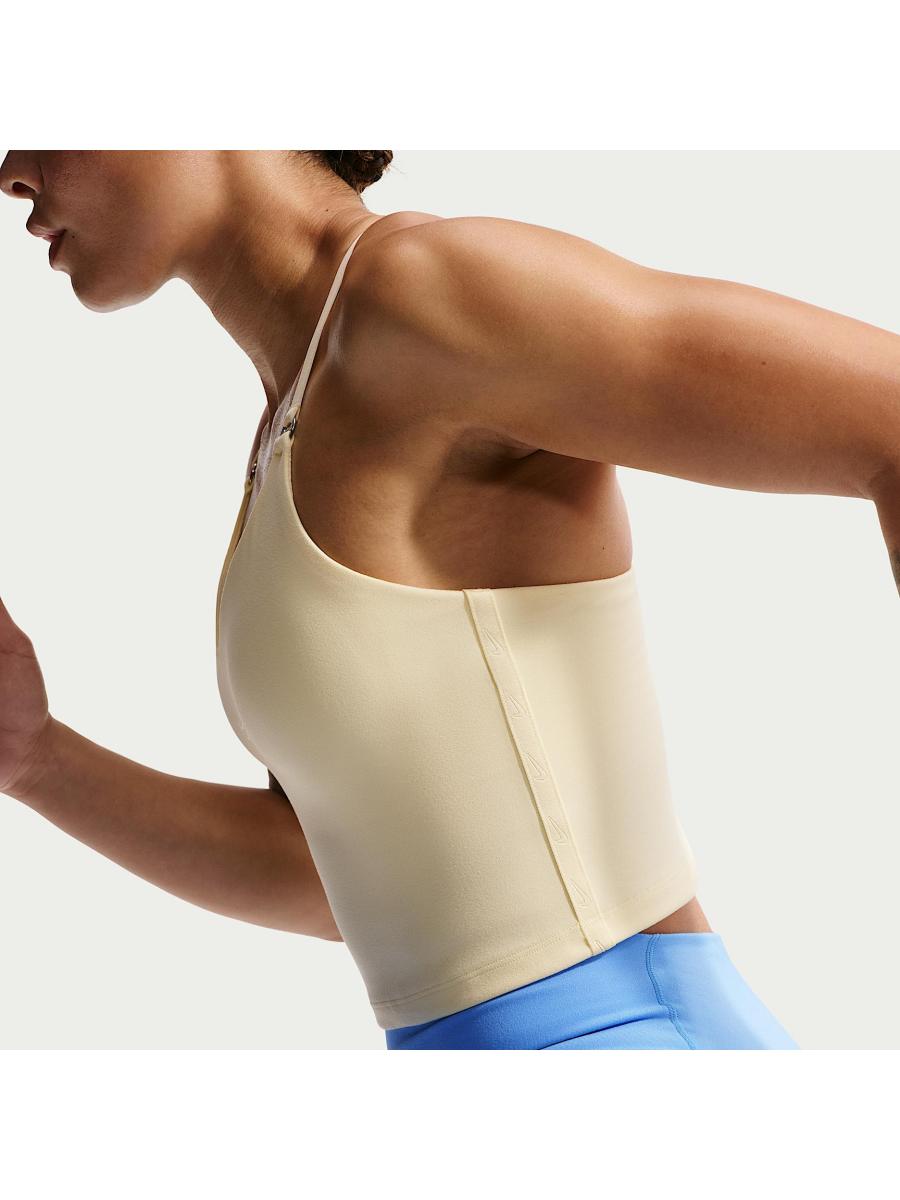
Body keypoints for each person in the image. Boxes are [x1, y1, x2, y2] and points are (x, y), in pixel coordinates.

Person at [2, 150, 897, 1050]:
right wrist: (36, 759)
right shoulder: (291, 420)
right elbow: (338, 882)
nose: (10, 172)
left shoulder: (426, 293)